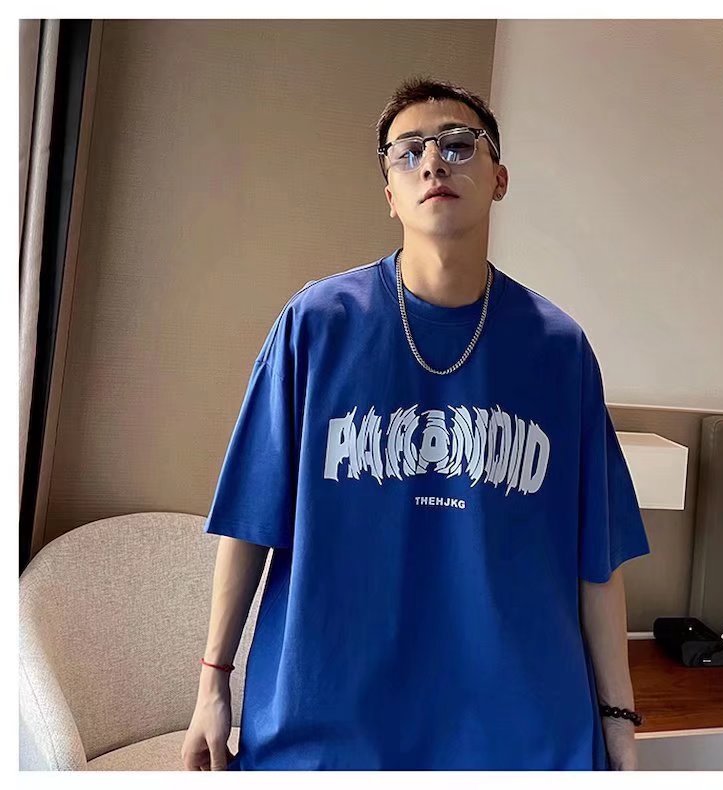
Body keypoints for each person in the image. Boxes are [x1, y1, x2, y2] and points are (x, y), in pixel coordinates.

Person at [181, 76, 650, 771]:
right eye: (409, 152)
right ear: (390, 194)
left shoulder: (559, 350)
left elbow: (597, 558)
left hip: (516, 733)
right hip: (327, 721)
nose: (433, 162)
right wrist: (212, 683)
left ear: (499, 179)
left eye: (459, 145)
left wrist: (619, 722)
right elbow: (251, 521)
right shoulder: (316, 327)